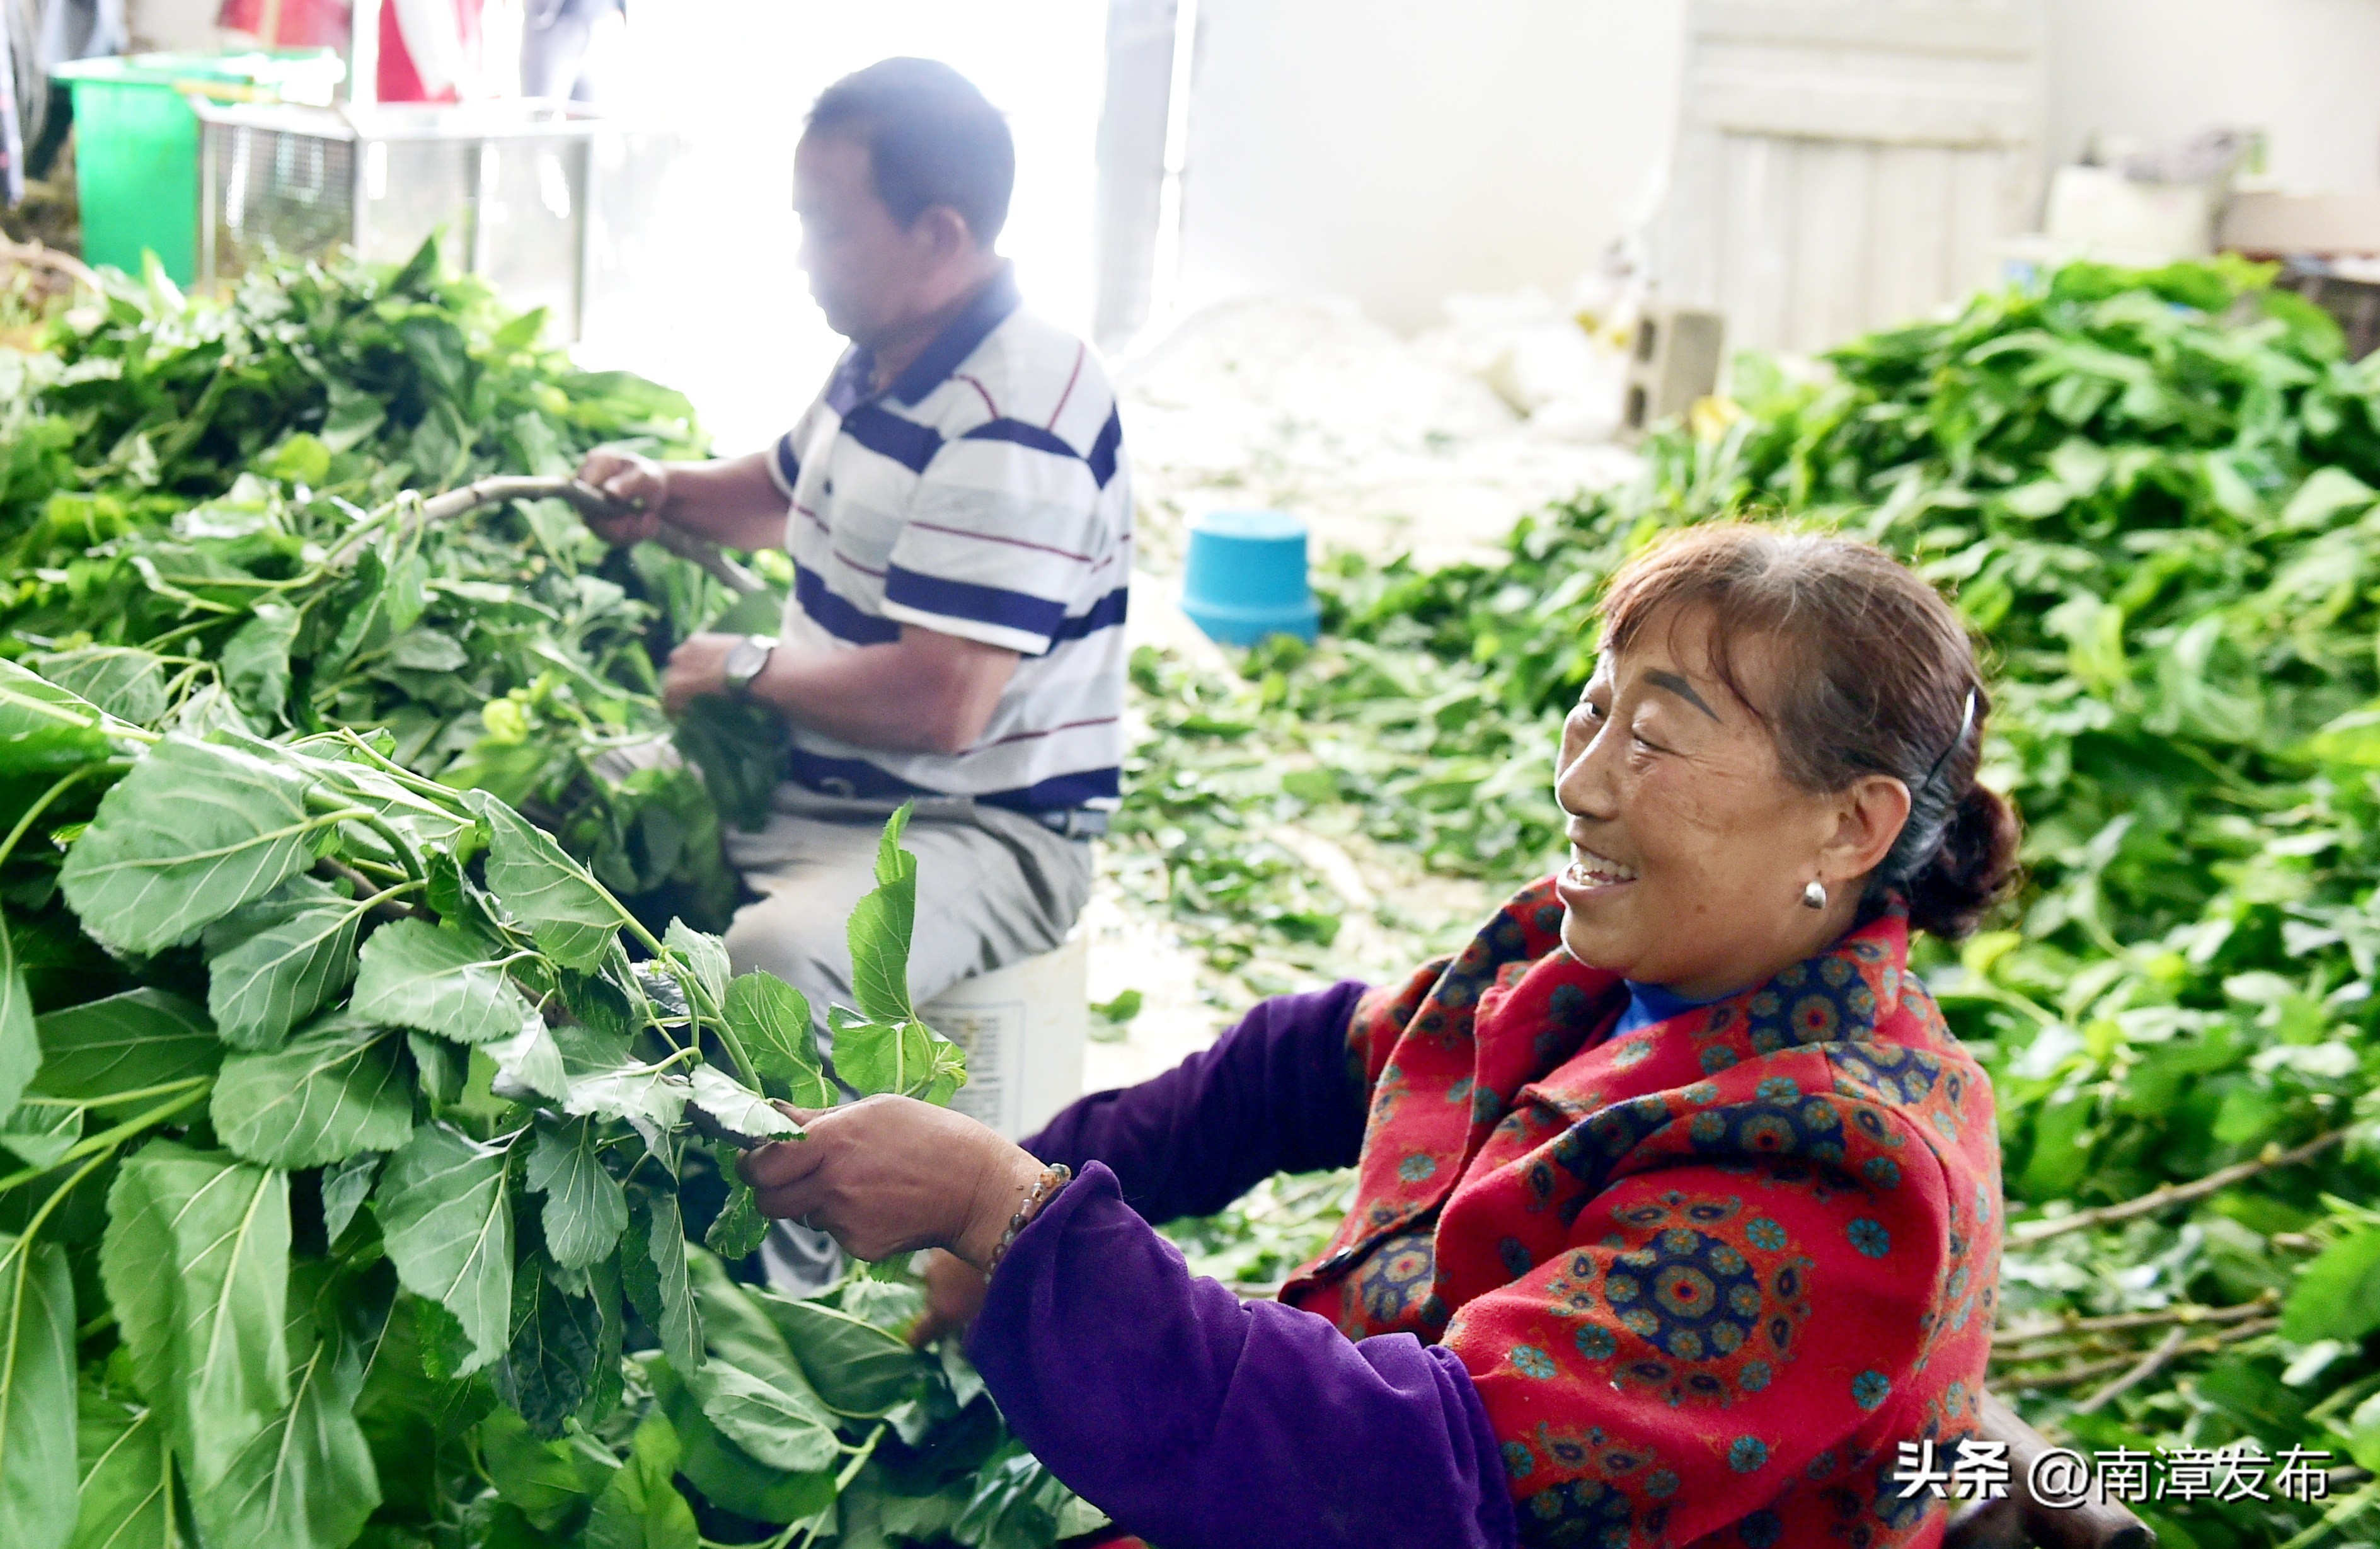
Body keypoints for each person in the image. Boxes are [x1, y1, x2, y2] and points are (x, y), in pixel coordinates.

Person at [739, 523, 2019, 1548]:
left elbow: (1412, 1481)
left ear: (1849, 828)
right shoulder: (1579, 960)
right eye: (1591, 708)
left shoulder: (1835, 1167)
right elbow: (1297, 1068)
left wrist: (1011, 1218)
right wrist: (1026, 1168)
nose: (1578, 782)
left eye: (1655, 738)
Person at [577, 57, 1127, 1050]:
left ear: (939, 235)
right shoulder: (891, 349)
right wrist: (663, 494)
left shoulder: (1014, 416)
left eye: (827, 227)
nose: (803, 257)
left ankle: (790, 1207)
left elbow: (943, 702)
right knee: (560, 809)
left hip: (972, 829)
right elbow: (788, 492)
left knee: (774, 970)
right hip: (812, 779)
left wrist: (744, 670)